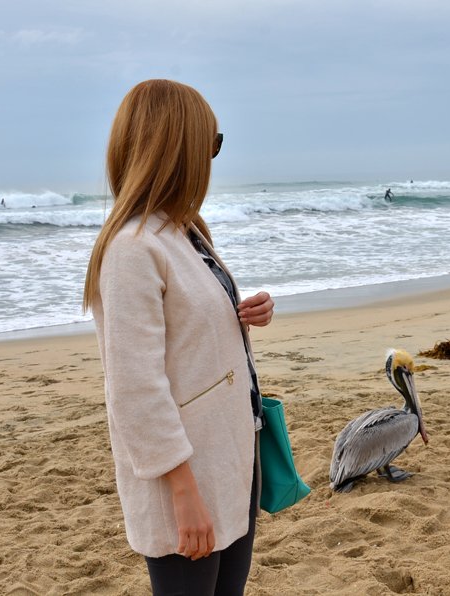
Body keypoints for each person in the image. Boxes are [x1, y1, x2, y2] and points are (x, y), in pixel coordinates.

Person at [82, 79, 275, 595]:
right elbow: (134, 388)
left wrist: (245, 315)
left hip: (227, 457)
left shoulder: (185, 230)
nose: (212, 157)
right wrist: (184, 492)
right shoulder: (132, 248)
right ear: (176, 146)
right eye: (210, 143)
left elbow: (187, 340)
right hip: (186, 479)